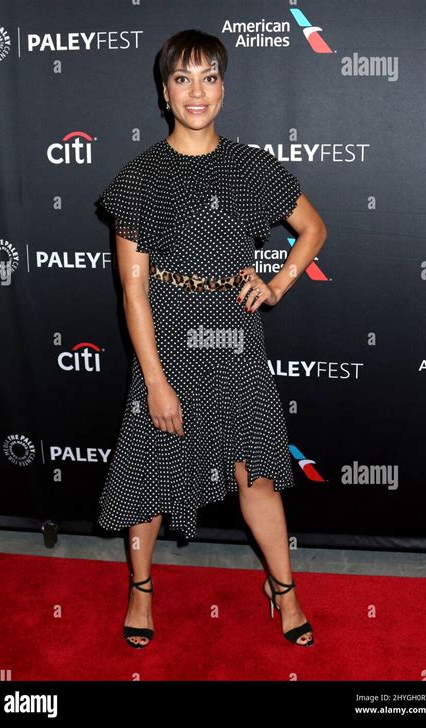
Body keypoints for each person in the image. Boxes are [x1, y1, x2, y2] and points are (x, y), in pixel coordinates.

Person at [97, 28, 327, 649]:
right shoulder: (140, 179)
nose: (196, 92)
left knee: (255, 474)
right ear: (165, 92)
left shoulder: (252, 166)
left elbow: (312, 229)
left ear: (223, 88)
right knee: (148, 474)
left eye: (209, 78)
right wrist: (155, 382)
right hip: (167, 343)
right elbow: (133, 291)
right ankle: (141, 590)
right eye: (182, 79)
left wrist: (276, 284)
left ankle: (284, 590)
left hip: (235, 339)